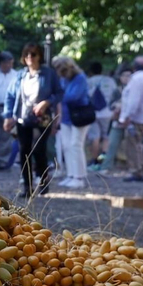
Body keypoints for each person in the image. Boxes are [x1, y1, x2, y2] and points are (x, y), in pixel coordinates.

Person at [3, 42, 62, 197]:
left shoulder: (49, 74)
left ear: (39, 56)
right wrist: (8, 116)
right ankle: (28, 187)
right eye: (27, 54)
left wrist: (47, 102)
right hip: (23, 117)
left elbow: (59, 93)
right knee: (24, 151)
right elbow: (10, 96)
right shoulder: (20, 75)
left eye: (33, 54)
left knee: (39, 149)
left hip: (43, 117)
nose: (30, 57)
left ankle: (43, 179)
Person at [51, 55, 89, 189]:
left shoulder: (80, 78)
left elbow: (72, 97)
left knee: (75, 145)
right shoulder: (64, 79)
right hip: (66, 117)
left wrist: (59, 96)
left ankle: (79, 177)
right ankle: (71, 175)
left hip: (79, 116)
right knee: (66, 146)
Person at [118, 56, 143, 181]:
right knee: (139, 145)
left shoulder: (136, 79)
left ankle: (136, 171)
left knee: (132, 145)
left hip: (135, 118)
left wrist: (127, 116)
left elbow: (134, 100)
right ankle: (141, 168)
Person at [85, 60, 118, 165]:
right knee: (106, 136)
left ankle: (95, 160)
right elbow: (116, 95)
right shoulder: (110, 81)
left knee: (94, 136)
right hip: (107, 112)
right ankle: (104, 158)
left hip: (93, 113)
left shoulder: (88, 81)